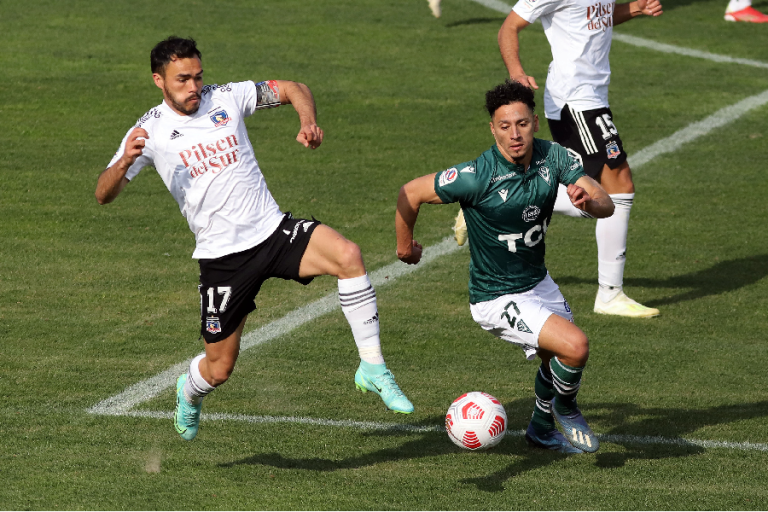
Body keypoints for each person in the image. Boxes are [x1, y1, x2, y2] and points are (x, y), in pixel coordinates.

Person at [95, 37, 413, 441]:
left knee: (348, 255)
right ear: (158, 80)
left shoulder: (226, 97)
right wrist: (124, 161)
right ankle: (189, 392)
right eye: (182, 80)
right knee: (219, 368)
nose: (193, 87)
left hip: (273, 232)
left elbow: (293, 88)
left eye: (197, 76)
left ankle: (372, 367)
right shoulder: (149, 131)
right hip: (223, 260)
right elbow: (103, 194)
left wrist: (307, 120)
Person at [396, 80, 614, 453]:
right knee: (575, 347)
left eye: (522, 124)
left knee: (556, 357)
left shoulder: (554, 157)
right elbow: (410, 192)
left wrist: (588, 202)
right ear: (493, 128)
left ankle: (541, 431)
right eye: (504, 126)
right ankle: (566, 408)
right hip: (496, 296)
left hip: (537, 282)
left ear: (535, 123)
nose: (515, 134)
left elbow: (606, 203)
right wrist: (405, 249)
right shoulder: (476, 175)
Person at [488, 0, 664, 318]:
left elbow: (594, 18)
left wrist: (633, 9)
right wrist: (516, 74)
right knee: (618, 185)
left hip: (594, 95)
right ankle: (610, 295)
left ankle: (502, 197)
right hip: (574, 98)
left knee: (597, 194)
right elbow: (509, 26)